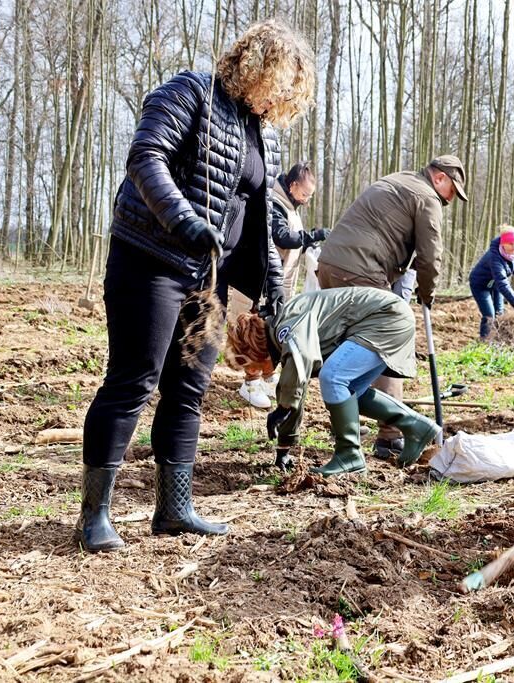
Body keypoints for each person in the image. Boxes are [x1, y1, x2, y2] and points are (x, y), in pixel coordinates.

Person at [75, 18, 315, 553]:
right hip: (151, 262)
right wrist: (182, 220)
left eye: (288, 94)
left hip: (210, 283)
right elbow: (145, 158)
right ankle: (94, 514)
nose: (279, 98)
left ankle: (174, 508)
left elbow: (259, 226)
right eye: (277, 84)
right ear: (253, 66)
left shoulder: (265, 138)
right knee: (134, 381)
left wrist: (274, 287)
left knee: (189, 391)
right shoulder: (190, 92)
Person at [316, 155, 468, 460]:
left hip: (330, 265)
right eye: (452, 190)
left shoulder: (397, 180)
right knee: (388, 345)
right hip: (361, 271)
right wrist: (427, 293)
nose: (451, 200)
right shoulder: (427, 196)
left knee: (350, 349)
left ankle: (345, 426)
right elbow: (430, 256)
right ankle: (391, 435)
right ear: (439, 178)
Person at [225, 288, 440, 475]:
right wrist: (284, 446)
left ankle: (349, 456)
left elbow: (298, 374)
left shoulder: (287, 327)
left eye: (250, 366)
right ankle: (416, 427)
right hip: (384, 318)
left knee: (333, 377)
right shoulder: (282, 332)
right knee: (351, 390)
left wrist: (284, 408)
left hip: (385, 317)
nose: (255, 372)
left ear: (256, 350)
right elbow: (296, 381)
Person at [236, 162, 328, 409]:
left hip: (278, 283)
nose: (307, 200)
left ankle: (266, 376)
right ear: (293, 185)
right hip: (260, 283)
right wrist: (312, 236)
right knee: (254, 332)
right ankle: (250, 383)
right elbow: (281, 237)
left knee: (271, 331)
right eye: (305, 194)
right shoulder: (274, 204)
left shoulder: (290, 205)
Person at [468, 225, 514, 338]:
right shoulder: (495, 257)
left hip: (495, 284)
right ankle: (485, 343)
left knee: (500, 313)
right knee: (489, 315)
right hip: (480, 285)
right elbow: (502, 282)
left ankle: (498, 340)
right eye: (510, 243)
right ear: (503, 243)